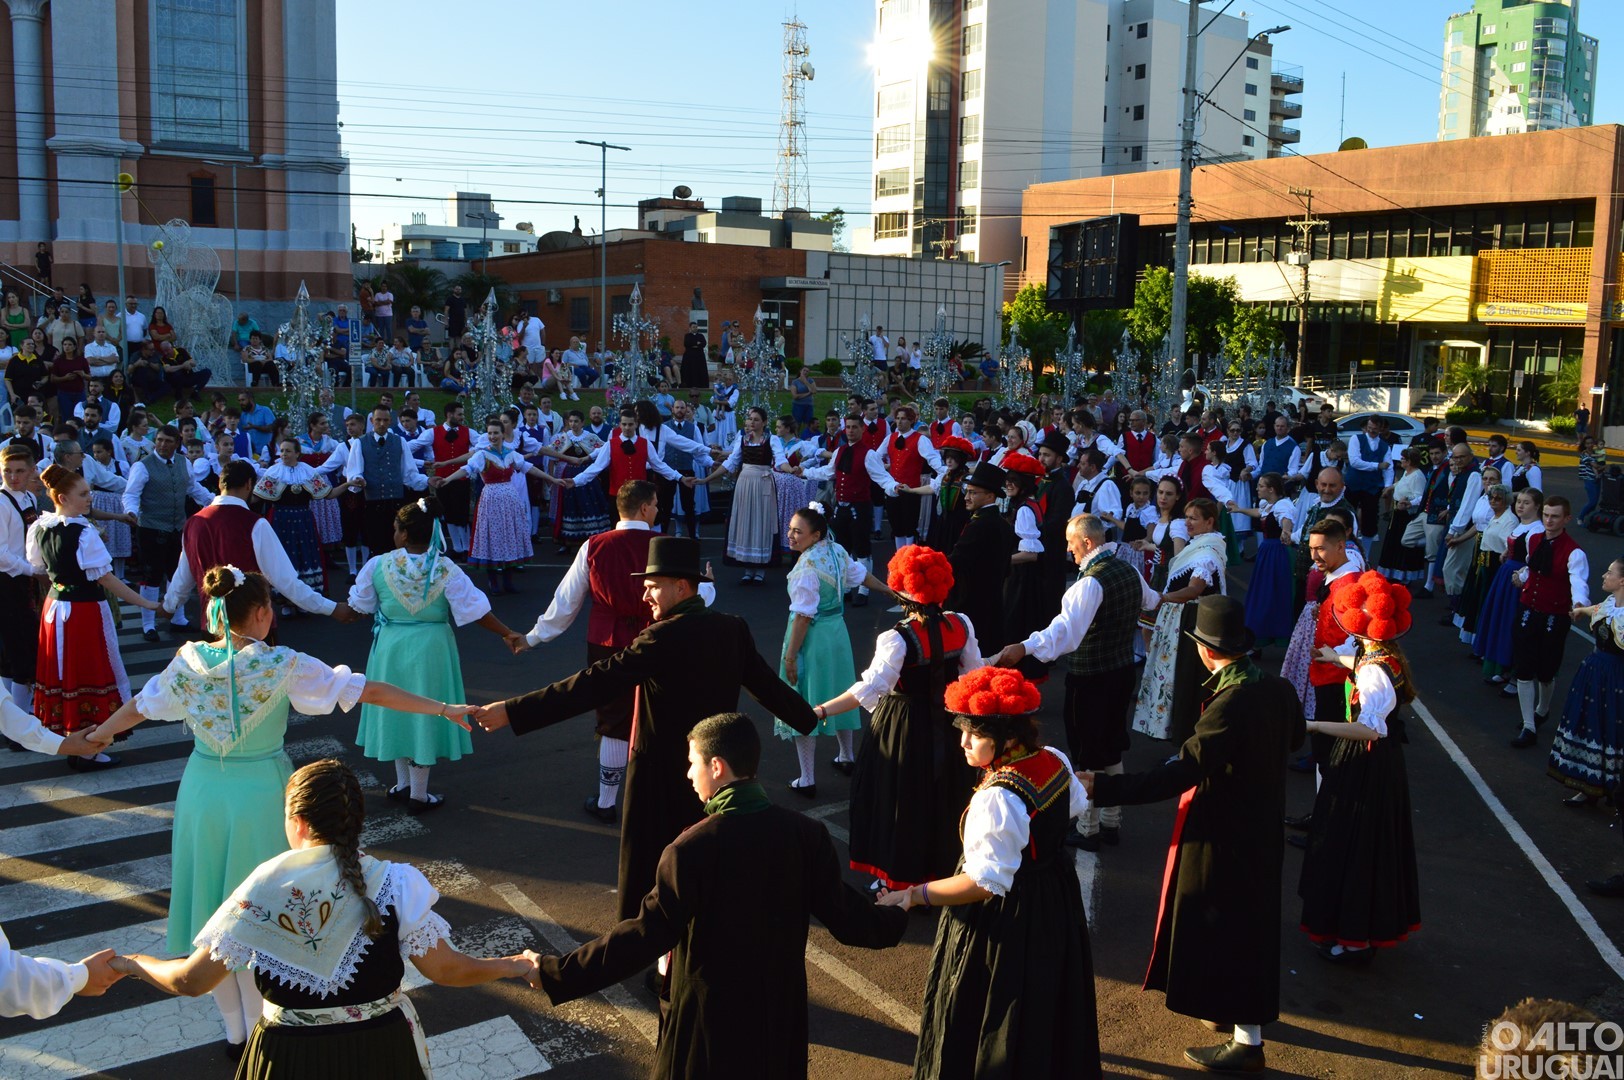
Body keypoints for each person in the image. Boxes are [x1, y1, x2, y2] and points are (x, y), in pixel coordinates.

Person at [87, 568, 477, 1052]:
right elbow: (367, 691)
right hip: (263, 793)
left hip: (204, 791)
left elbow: (140, 707)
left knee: (212, 914)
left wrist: (98, 734)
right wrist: (443, 708)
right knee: (260, 917)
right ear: (264, 613)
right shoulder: (281, 664)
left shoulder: (186, 663)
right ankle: (257, 1027)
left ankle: (234, 1033)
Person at [107, 759, 539, 1077]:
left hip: (289, 1059)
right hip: (381, 1053)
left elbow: (191, 981)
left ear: (297, 822)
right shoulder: (396, 882)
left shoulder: (265, 885)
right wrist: (513, 964)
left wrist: (131, 964)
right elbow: (447, 969)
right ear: (357, 822)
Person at [535, 711, 907, 1079]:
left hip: (709, 1028)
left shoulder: (690, 849)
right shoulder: (805, 835)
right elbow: (848, 917)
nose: (687, 774)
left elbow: (642, 936)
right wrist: (900, 909)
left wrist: (554, 973)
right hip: (777, 1020)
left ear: (717, 766)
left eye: (692, 763)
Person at [474, 536, 818, 920]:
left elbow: (592, 684)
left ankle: (649, 951)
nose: (645, 595)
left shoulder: (662, 636)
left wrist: (512, 711)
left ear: (681, 587)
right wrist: (809, 717)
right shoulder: (731, 628)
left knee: (650, 872)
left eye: (653, 587)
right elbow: (767, 686)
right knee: (705, 862)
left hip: (658, 775)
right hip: (716, 774)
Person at [1088, 595, 1304, 1074]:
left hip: (1224, 833)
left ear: (1204, 649)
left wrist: (1102, 787)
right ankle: (1227, 1007)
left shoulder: (1230, 704)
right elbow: (1295, 739)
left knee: (1231, 926)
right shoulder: (1279, 688)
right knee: (1243, 924)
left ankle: (1248, 1040)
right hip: (1262, 826)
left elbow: (1182, 771)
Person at [887, 666, 1100, 1080]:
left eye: (977, 735)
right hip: (1055, 896)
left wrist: (916, 894)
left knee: (992, 1010)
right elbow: (1075, 804)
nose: (964, 742)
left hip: (1007, 919)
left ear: (1009, 738)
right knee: (1046, 1002)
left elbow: (984, 882)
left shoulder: (998, 797)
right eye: (963, 730)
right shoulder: (1053, 759)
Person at [518, 480, 718, 822]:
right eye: (655, 504)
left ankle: (608, 801)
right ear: (644, 508)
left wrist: (533, 637)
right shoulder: (666, 545)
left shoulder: (593, 546)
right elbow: (691, 598)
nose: (657, 509)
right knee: (664, 713)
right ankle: (665, 792)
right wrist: (710, 585)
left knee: (614, 718)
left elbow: (565, 602)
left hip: (607, 640)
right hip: (661, 637)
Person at [814, 545, 985, 889]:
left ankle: (899, 880)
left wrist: (820, 710)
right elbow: (973, 676)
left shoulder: (897, 637)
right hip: (949, 724)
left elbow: (869, 689)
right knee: (944, 799)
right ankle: (941, 876)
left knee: (899, 802)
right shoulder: (960, 624)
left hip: (903, 728)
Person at [993, 513, 1157, 850]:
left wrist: (1023, 647)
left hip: (1091, 680)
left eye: (1071, 543)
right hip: (1121, 671)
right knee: (1111, 745)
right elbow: (1151, 601)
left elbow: (1064, 634)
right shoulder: (1129, 570)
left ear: (1087, 542)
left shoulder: (1090, 583)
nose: (1069, 551)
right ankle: (1111, 820)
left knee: (1088, 750)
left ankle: (1088, 826)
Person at [350, 500, 515, 814]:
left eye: (396, 529)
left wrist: (330, 609)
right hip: (431, 647)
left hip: (391, 646)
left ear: (403, 534)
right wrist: (507, 632)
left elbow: (359, 605)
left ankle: (404, 785)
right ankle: (417, 792)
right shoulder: (446, 568)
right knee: (426, 711)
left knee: (395, 706)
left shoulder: (378, 565)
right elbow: (476, 611)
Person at [1300, 571, 1422, 965]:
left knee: (1352, 846)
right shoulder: (1382, 656)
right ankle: (1357, 934)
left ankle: (1354, 941)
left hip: (1364, 763)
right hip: (1381, 766)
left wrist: (1314, 725)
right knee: (1365, 846)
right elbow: (1367, 668)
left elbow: (1370, 726)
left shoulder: (1372, 669)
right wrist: (1337, 657)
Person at [30, 464, 159, 768]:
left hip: (54, 608)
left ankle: (71, 739)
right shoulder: (83, 531)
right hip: (83, 611)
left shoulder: (41, 527)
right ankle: (89, 748)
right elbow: (106, 578)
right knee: (91, 671)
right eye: (84, 494)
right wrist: (147, 604)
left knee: (64, 673)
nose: (90, 499)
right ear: (62, 497)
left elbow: (38, 568)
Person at [777, 503, 890, 796]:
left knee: (805, 700)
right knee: (842, 691)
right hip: (837, 634)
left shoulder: (807, 567)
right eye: (790, 529)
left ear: (815, 535)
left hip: (813, 639)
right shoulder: (837, 551)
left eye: (797, 531)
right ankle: (846, 756)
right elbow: (862, 576)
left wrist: (791, 656)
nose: (790, 535)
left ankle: (807, 777)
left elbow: (803, 617)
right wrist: (890, 590)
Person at [164, 459, 347, 630]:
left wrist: (168, 606)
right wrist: (331, 608)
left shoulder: (193, 523)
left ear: (221, 484)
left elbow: (182, 578)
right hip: (254, 625)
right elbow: (285, 580)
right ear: (249, 485)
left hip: (213, 623)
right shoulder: (255, 523)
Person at [1133, 497, 1226, 746]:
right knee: (1177, 678)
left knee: (1187, 680)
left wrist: (1161, 598)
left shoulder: (1206, 551)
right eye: (1187, 517)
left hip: (1190, 622)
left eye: (1194, 518)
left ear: (1210, 521)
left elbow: (1195, 589)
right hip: (1179, 619)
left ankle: (1188, 740)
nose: (1188, 523)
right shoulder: (1200, 545)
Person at [432, 417, 556, 594]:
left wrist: (552, 479)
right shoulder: (482, 454)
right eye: (489, 433)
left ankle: (507, 580)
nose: (492, 436)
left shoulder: (511, 454)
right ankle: (493, 581)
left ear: (502, 435)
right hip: (491, 499)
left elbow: (529, 468)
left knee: (508, 537)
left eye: (495, 433)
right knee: (492, 537)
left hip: (510, 500)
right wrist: (448, 479)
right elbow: (466, 469)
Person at [1511, 496, 1590, 748]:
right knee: (1523, 668)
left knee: (1546, 670)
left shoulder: (1574, 552)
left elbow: (1578, 581)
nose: (1548, 520)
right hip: (1527, 610)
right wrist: (1521, 576)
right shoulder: (1534, 540)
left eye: (1554, 516)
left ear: (1566, 519)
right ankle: (1528, 725)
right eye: (1545, 514)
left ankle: (1542, 709)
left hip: (1554, 616)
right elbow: (1532, 568)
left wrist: (1579, 604)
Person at [799, 413, 902, 606]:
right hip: (842, 507)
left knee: (862, 550)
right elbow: (827, 472)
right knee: (842, 550)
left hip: (860, 508)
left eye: (855, 427)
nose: (851, 430)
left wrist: (893, 487)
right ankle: (845, 587)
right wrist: (805, 472)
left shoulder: (869, 454)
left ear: (862, 429)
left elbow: (882, 478)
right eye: (848, 427)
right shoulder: (839, 452)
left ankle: (863, 590)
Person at [696, 404, 792, 585]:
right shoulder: (742, 439)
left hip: (763, 483)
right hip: (744, 484)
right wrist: (706, 480)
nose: (752, 422)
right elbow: (730, 463)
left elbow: (780, 461)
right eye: (750, 418)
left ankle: (761, 570)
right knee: (745, 522)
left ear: (764, 422)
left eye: (756, 419)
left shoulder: (772, 440)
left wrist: (791, 469)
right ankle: (748, 569)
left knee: (761, 523)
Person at [345, 405, 430, 570]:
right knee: (377, 549)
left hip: (397, 504)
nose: (382, 424)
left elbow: (409, 475)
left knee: (398, 548)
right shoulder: (360, 443)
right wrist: (359, 480)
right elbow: (354, 472)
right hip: (373, 504)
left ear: (391, 421)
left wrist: (428, 481)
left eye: (385, 420)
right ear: (372, 421)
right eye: (378, 420)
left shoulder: (400, 441)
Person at [947, 461, 1013, 653]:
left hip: (971, 605)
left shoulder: (980, 525)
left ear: (990, 495)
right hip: (993, 603)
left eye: (973, 492)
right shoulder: (1001, 524)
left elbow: (957, 561)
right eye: (967, 491)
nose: (966, 497)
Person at [1230, 472, 1297, 649]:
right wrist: (1239, 510)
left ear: (1271, 489)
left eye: (1261, 486)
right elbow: (1259, 512)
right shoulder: (1269, 505)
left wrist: (1286, 531)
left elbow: (1286, 519)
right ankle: (1257, 638)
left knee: (1270, 594)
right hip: (1268, 551)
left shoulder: (1283, 505)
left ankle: (1264, 636)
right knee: (1262, 593)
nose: (1258, 489)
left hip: (1277, 553)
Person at [0, 445, 42, 719]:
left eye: (19, 471)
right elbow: (1, 553)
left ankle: (10, 716)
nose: (13, 477)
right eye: (7, 471)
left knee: (13, 651)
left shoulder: (29, 498)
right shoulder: (1, 503)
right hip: (7, 583)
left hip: (25, 581)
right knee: (20, 650)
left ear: (31, 472)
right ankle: (18, 723)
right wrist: (33, 570)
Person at [1455, 481, 1516, 644]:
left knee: (1488, 604)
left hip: (1495, 566)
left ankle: (1486, 642)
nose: (1493, 501)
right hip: (1484, 564)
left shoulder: (1509, 520)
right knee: (1479, 602)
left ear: (1506, 500)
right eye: (1491, 498)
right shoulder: (1495, 517)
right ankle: (1478, 639)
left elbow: (1508, 545)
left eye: (1498, 499)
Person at [1377, 446, 1429, 586]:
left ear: (1410, 461)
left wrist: (1409, 503)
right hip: (1397, 513)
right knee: (1393, 543)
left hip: (1406, 516)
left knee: (1403, 545)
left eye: (1403, 459)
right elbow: (1401, 482)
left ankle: (1405, 575)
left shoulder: (1418, 476)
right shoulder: (1407, 473)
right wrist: (1390, 488)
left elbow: (1420, 497)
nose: (1400, 461)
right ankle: (1392, 572)